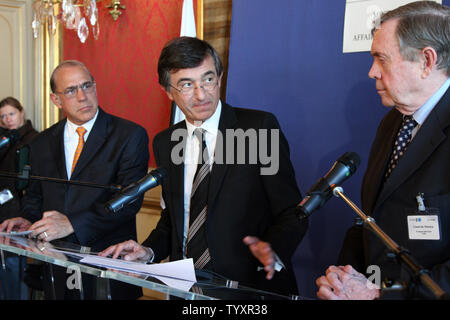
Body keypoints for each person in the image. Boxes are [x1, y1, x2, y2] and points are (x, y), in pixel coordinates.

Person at [100, 37, 308, 297]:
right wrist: (149, 250)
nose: (201, 94)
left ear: (220, 77)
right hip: (187, 290)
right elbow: (175, 220)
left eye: (208, 79)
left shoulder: (257, 130)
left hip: (249, 289)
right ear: (168, 91)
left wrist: (272, 249)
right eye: (187, 85)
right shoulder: (166, 142)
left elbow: (292, 212)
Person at [316, 1, 450, 300]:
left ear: (427, 61)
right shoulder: (393, 122)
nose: (372, 72)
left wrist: (381, 297)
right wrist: (345, 278)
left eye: (381, 58)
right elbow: (371, 218)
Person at [0, 60, 150, 299]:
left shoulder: (129, 135)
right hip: (56, 268)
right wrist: (27, 221)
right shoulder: (41, 143)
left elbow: (128, 202)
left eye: (87, 86)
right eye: (71, 90)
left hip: (108, 267)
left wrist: (72, 223)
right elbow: (36, 198)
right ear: (56, 100)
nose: (82, 96)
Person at [0, 97, 39, 299]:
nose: (8, 120)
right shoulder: (3, 141)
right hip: (2, 209)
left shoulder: (35, 139)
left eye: (11, 114)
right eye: (3, 116)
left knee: (16, 267)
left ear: (22, 113)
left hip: (21, 212)